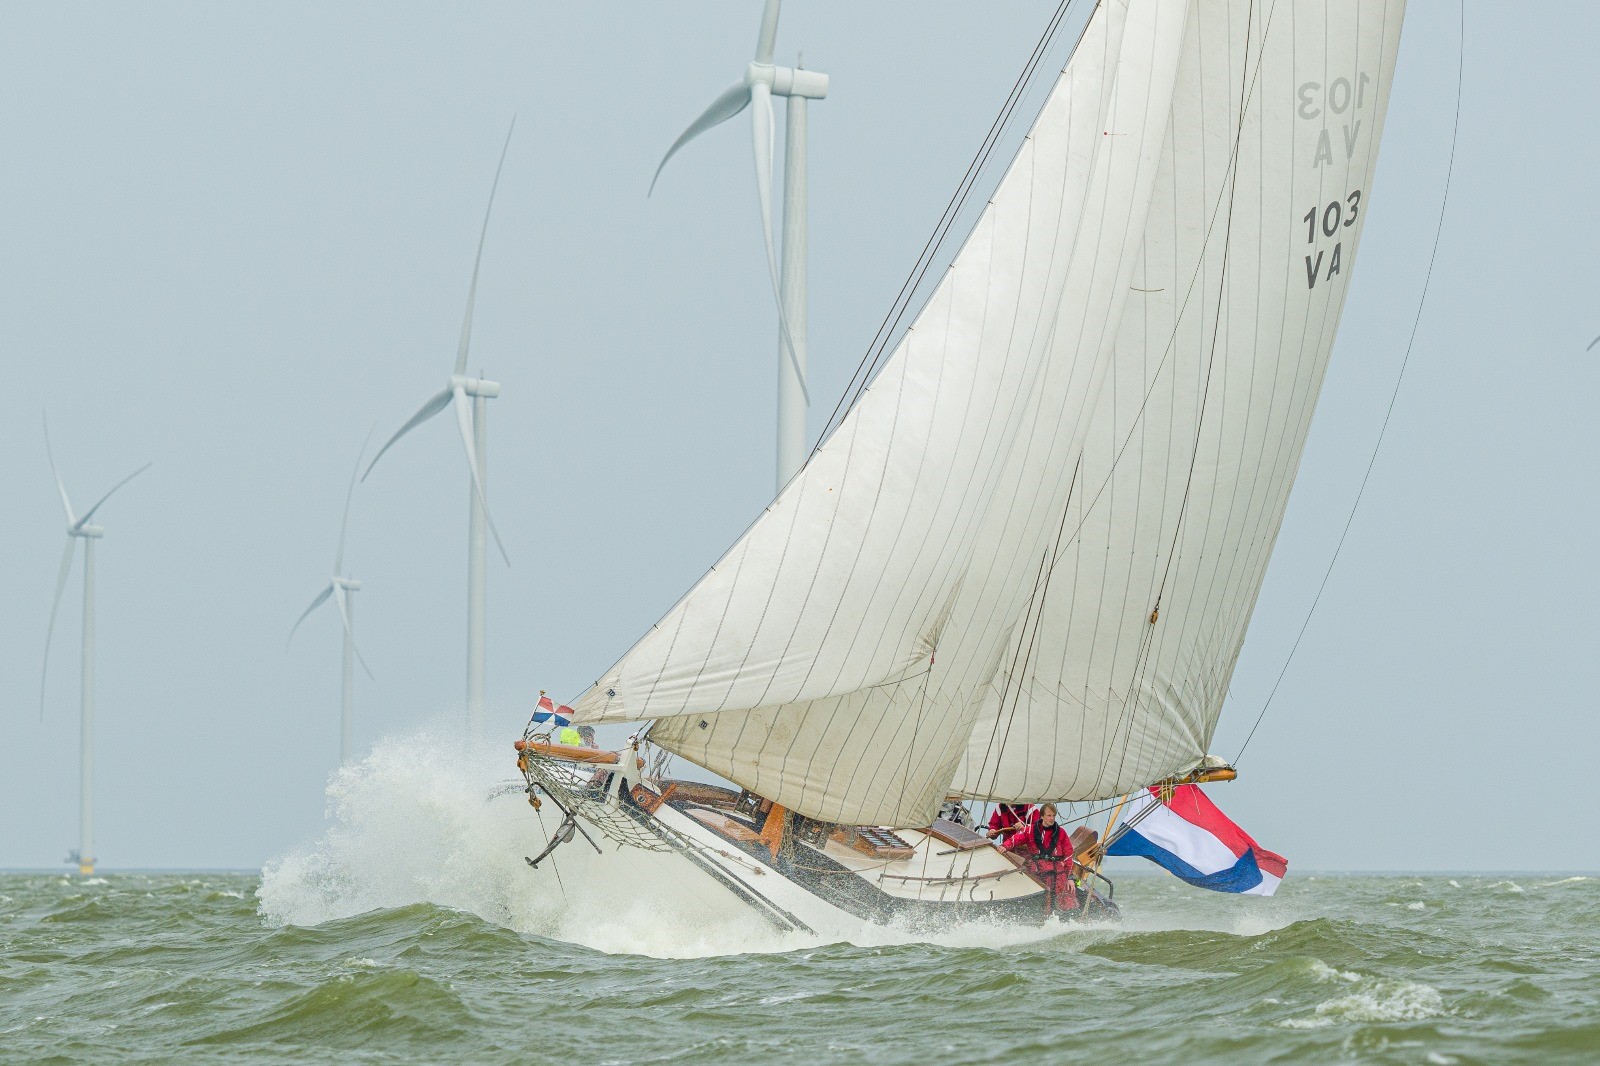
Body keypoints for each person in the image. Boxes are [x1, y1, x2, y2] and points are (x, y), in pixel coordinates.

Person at [1001, 803, 1077, 913]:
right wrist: (1004, 846)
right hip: (1039, 873)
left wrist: (1070, 878)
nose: (1052, 818)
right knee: (1040, 902)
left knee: (1066, 904)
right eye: (1049, 815)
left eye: (1053, 816)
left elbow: (1068, 855)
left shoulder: (1061, 832)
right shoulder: (1029, 830)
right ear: (1042, 816)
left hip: (1059, 874)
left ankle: (1066, 919)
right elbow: (1016, 839)